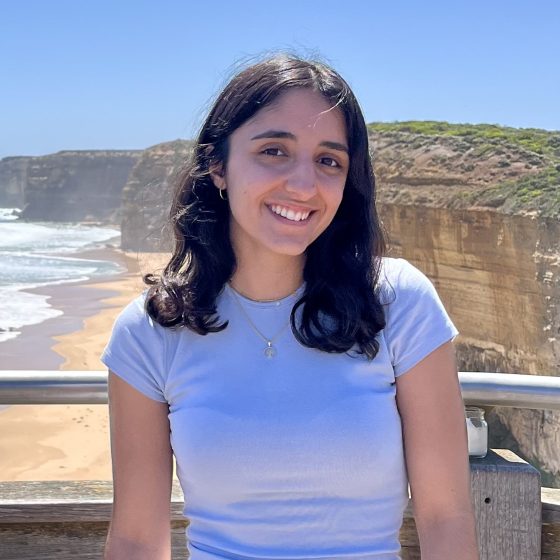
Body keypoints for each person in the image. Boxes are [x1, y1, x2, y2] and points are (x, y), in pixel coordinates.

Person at [101, 54, 479, 560]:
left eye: (329, 161)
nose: (304, 185)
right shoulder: (151, 332)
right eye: (274, 151)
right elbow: (136, 539)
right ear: (218, 166)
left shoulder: (397, 302)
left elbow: (445, 518)